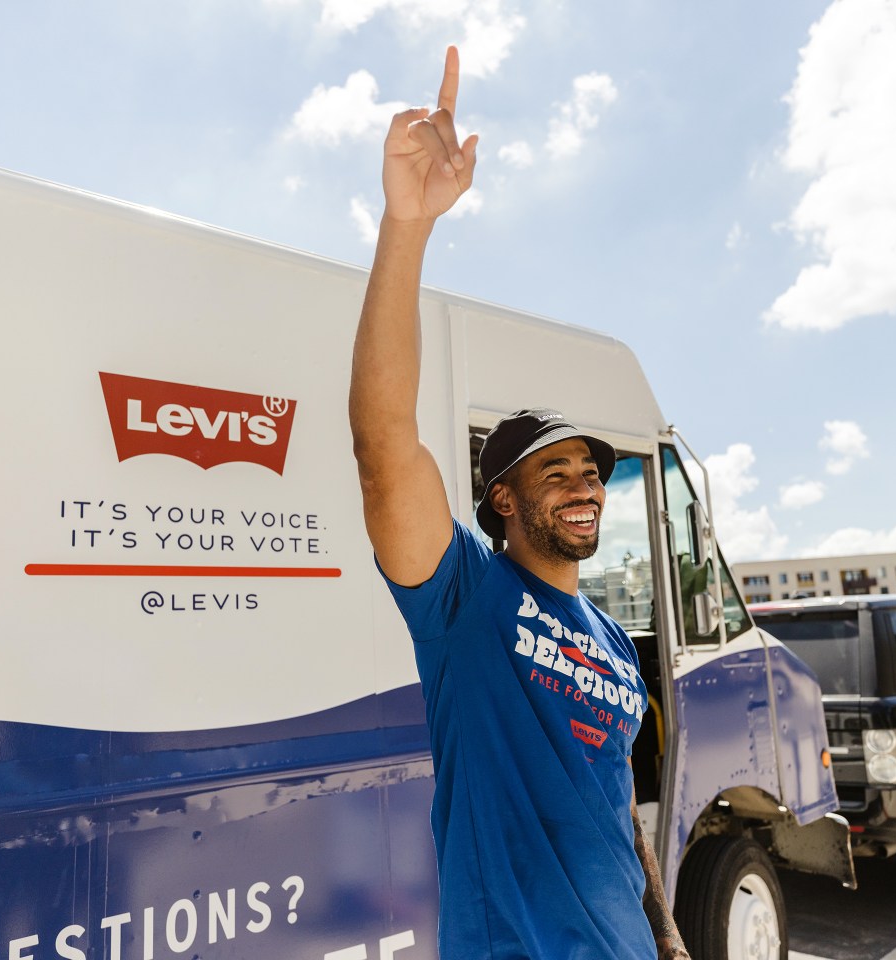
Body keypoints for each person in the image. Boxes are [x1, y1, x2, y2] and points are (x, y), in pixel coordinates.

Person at [348, 46, 691, 960]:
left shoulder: (613, 640)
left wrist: (665, 935)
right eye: (556, 472)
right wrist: (407, 226)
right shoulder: (466, 601)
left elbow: (616, 800)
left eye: (592, 471)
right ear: (500, 499)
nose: (584, 486)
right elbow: (385, 454)